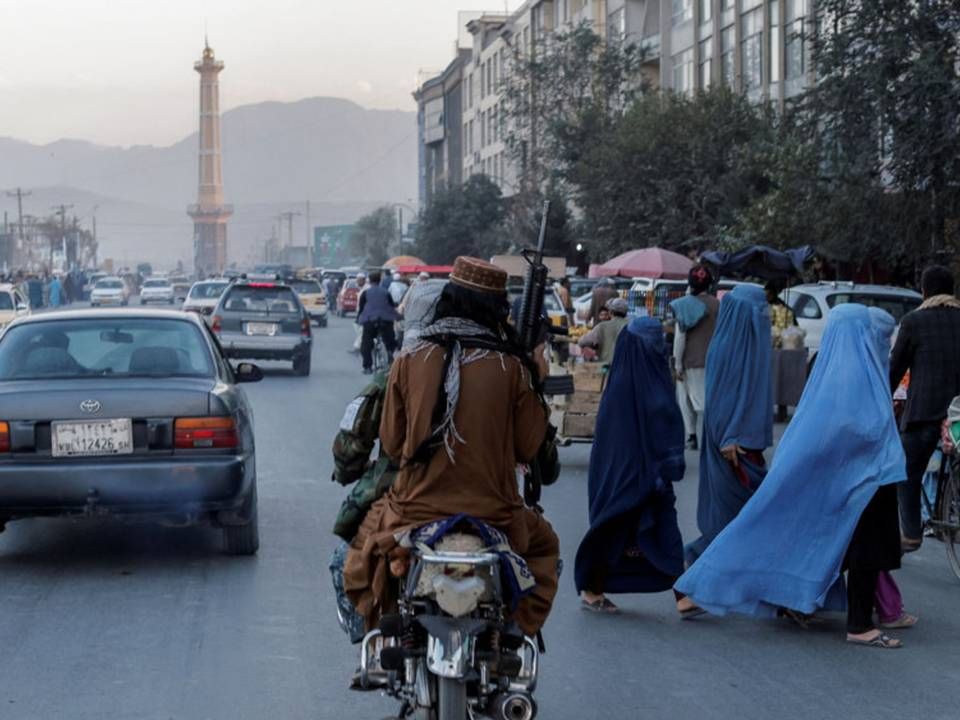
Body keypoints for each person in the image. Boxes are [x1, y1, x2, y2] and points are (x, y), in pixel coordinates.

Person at [344, 257, 560, 637]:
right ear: (496, 309)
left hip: (413, 510)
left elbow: (393, 443)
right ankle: (514, 630)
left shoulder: (409, 358)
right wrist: (536, 382)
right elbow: (528, 449)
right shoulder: (513, 366)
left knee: (364, 548)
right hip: (497, 514)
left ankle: (380, 636)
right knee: (544, 546)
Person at [676, 305, 914, 647]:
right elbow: (853, 429)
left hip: (857, 478)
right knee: (860, 549)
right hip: (863, 478)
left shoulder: (839, 368)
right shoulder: (853, 374)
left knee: (833, 546)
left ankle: (819, 609)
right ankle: (859, 625)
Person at [329, 280, 446, 644]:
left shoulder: (396, 373)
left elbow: (351, 444)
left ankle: (369, 641)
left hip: (406, 498)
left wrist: (348, 471)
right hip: (486, 501)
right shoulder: (497, 372)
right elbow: (541, 457)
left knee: (343, 563)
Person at [575, 317, 690, 615]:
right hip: (630, 478)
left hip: (652, 477)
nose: (655, 349)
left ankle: (684, 592)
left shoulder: (642, 375)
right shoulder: (629, 384)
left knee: (663, 530)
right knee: (613, 533)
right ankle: (592, 589)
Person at [684, 284, 772, 567]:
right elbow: (722, 401)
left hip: (746, 443)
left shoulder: (744, 345)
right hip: (733, 447)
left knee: (743, 517)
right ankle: (696, 576)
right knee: (738, 518)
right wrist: (730, 436)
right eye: (759, 310)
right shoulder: (728, 349)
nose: (764, 315)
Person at [890, 265, 960, 553]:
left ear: (924, 291)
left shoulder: (913, 322)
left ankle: (910, 533)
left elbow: (895, 369)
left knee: (906, 469)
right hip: (958, 415)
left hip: (925, 414)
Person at [670, 265, 720, 450]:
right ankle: (711, 435)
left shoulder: (684, 305)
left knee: (687, 399)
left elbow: (680, 338)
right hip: (714, 360)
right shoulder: (718, 305)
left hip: (690, 360)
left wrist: (677, 364)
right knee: (708, 399)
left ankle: (692, 435)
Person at [356, 270, 400, 374]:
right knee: (391, 342)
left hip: (370, 321)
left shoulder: (365, 293)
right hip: (385, 321)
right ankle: (391, 358)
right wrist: (398, 316)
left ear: (369, 281)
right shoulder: (386, 292)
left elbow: (361, 309)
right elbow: (392, 306)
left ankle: (367, 367)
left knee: (366, 344)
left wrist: (359, 319)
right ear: (380, 280)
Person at [578, 297, 629, 365]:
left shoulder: (602, 326)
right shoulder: (631, 326)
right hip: (626, 366)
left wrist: (595, 345)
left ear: (611, 312)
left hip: (607, 366)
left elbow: (582, 342)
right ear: (626, 313)